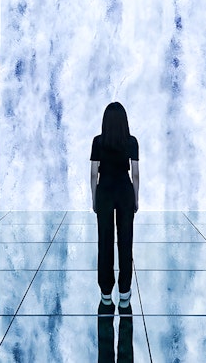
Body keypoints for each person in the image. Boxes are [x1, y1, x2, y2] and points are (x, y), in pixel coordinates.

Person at [90, 101, 140, 310]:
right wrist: (136, 199)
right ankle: (125, 292)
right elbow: (135, 174)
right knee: (125, 242)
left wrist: (94, 199)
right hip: (125, 192)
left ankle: (105, 293)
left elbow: (94, 174)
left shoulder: (98, 141)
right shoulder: (131, 141)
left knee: (105, 242)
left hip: (105, 192)